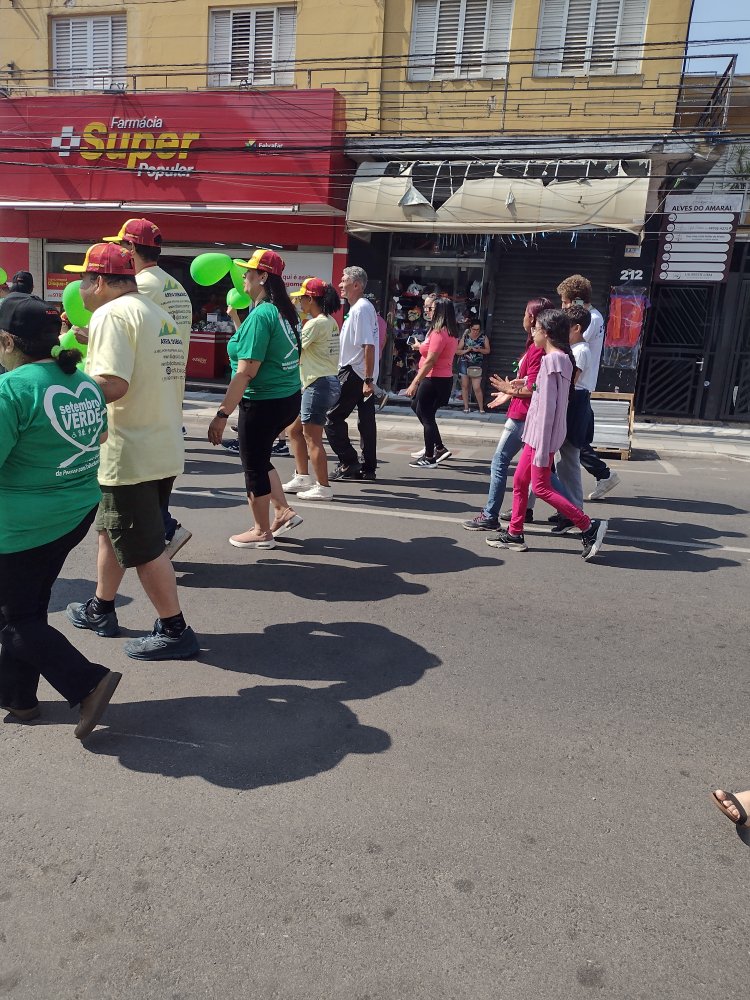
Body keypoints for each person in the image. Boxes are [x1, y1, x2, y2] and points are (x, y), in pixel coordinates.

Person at [63, 243, 199, 660]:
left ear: (98, 281)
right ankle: (101, 608)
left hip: (130, 451)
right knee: (111, 530)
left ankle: (175, 630)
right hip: (160, 445)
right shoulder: (155, 313)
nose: (79, 289)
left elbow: (114, 384)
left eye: (83, 280)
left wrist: (65, 389)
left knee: (144, 547)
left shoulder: (109, 314)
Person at [0, 293, 121, 738]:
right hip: (72, 513)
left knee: (13, 621)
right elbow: (101, 433)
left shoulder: (13, 390)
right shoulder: (83, 381)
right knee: (27, 607)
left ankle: (87, 682)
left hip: (21, 526)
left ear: (7, 341)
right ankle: (18, 697)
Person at [485, 308, 608, 561]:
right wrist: (523, 386)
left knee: (540, 487)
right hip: (536, 434)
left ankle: (588, 526)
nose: (533, 331)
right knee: (520, 481)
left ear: (547, 333)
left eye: (536, 328)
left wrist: (514, 391)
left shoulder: (553, 360)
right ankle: (515, 533)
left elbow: (549, 408)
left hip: (541, 436)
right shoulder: (559, 358)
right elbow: (545, 394)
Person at [103, 218, 193, 558]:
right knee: (155, 486)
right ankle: (163, 535)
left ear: (130, 249)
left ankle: (164, 536)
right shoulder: (173, 285)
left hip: (142, 392)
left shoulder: (142, 287)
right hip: (169, 390)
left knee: (130, 496)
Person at [207, 248, 302, 549]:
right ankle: (283, 511)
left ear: (263, 277)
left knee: (253, 466)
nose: (243, 278)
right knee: (260, 458)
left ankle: (262, 531)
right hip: (286, 397)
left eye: (248, 272)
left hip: (263, 401)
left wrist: (222, 415)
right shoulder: (282, 311)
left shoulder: (263, 314)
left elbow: (246, 371)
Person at [462, 298, 551, 531]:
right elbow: (531, 383)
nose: (522, 318)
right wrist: (510, 392)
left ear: (532, 318)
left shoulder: (539, 350)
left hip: (522, 417)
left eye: (524, 313)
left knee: (501, 462)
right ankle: (575, 513)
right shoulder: (536, 347)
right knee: (541, 474)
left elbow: (533, 388)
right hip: (525, 414)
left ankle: (491, 515)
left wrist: (510, 390)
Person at [557, 274, 620, 501]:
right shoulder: (595, 316)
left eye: (565, 302)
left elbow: (570, 342)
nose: (562, 306)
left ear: (575, 301)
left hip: (579, 386)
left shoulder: (589, 320)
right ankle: (600, 476)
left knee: (572, 441)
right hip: (582, 385)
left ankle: (602, 475)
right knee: (574, 440)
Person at [284, 277, 341, 501]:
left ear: (310, 298)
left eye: (301, 299)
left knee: (312, 437)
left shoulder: (316, 324)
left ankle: (323, 486)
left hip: (317, 384)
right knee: (294, 430)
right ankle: (302, 476)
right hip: (323, 382)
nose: (299, 304)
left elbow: (293, 347)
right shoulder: (329, 321)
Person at [325, 265, 379, 481]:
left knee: (332, 417)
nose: (340, 285)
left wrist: (367, 379)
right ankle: (368, 467)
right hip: (360, 372)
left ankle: (349, 461)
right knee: (366, 422)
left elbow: (369, 345)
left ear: (356, 285)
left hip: (355, 373)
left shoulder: (360, 309)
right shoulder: (360, 308)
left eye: (344, 280)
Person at [405, 296, 459, 468]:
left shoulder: (439, 332)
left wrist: (415, 382)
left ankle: (430, 456)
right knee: (420, 409)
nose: (429, 311)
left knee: (426, 415)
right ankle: (438, 448)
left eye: (433, 309)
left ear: (441, 312)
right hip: (441, 379)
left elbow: (430, 361)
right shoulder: (449, 332)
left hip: (433, 379)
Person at [456, 320, 490, 412]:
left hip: (477, 364)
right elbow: (457, 351)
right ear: (470, 328)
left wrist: (479, 350)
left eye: (478, 329)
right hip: (465, 363)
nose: (476, 331)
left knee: (476, 387)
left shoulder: (483, 337)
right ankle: (466, 407)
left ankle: (481, 408)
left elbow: (488, 350)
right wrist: (466, 351)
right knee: (464, 385)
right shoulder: (465, 337)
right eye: (474, 329)